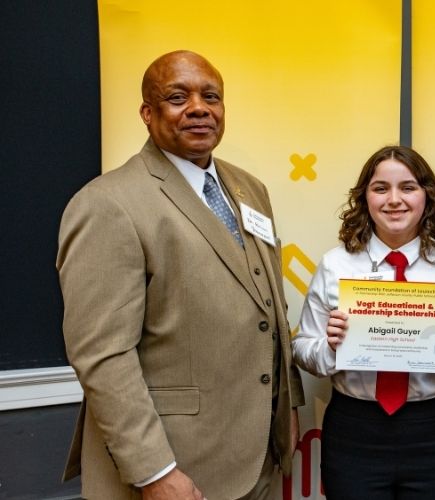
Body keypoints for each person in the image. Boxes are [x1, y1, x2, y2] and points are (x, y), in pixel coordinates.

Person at [57, 50, 305, 500]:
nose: (199, 107)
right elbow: (102, 354)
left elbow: (268, 307)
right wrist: (155, 471)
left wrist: (285, 409)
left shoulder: (250, 189)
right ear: (147, 114)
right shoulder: (107, 204)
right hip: (175, 466)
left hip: (257, 456)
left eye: (211, 96)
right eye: (177, 97)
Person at [292, 145, 435, 500]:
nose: (394, 200)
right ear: (364, 197)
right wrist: (330, 346)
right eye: (381, 188)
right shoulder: (335, 265)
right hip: (355, 431)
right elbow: (303, 350)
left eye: (408, 187)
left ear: (427, 197)